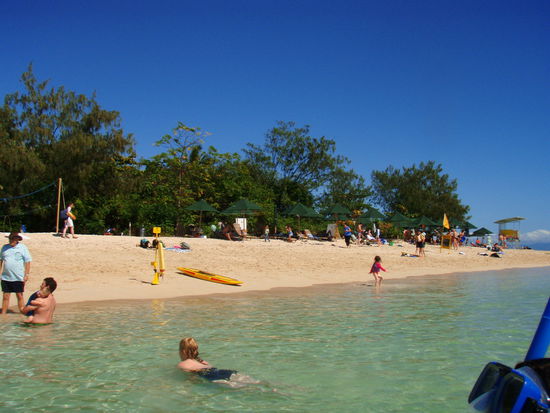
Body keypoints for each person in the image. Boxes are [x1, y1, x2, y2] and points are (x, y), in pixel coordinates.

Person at [1, 232, 32, 314]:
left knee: (19, 295)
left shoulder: (22, 248)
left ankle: (22, 313)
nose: (10, 240)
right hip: (6, 277)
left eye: (12, 239)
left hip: (18, 277)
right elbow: (1, 260)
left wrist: (26, 274)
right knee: (6, 296)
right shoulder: (5, 247)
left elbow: (27, 261)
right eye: (10, 239)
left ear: (17, 239)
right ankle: (3, 314)